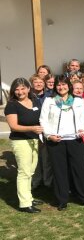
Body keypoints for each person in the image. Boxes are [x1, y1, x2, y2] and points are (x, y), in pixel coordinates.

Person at [39, 76, 84, 210]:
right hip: (56, 141)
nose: (61, 87)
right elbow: (43, 120)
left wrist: (82, 128)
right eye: (58, 85)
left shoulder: (78, 100)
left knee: (79, 169)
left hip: (74, 139)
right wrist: (49, 135)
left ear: (69, 86)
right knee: (59, 171)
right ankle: (62, 200)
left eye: (64, 85)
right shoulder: (49, 101)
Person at [4, 78, 44, 213]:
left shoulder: (35, 101)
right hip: (20, 141)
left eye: (22, 88)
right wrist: (32, 128)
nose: (20, 92)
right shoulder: (12, 105)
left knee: (31, 170)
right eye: (16, 89)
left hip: (34, 140)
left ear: (28, 88)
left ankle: (29, 197)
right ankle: (25, 203)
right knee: (24, 172)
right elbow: (14, 126)